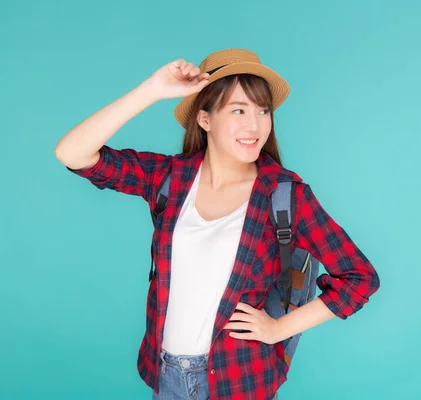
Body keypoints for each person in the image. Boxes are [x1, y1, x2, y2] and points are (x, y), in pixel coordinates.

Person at [55, 48, 380, 400]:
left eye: (262, 111)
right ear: (205, 119)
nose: (254, 125)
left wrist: (278, 329)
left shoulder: (283, 194)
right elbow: (72, 154)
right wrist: (152, 89)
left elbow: (360, 278)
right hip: (166, 377)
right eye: (238, 110)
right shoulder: (170, 178)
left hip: (238, 381)